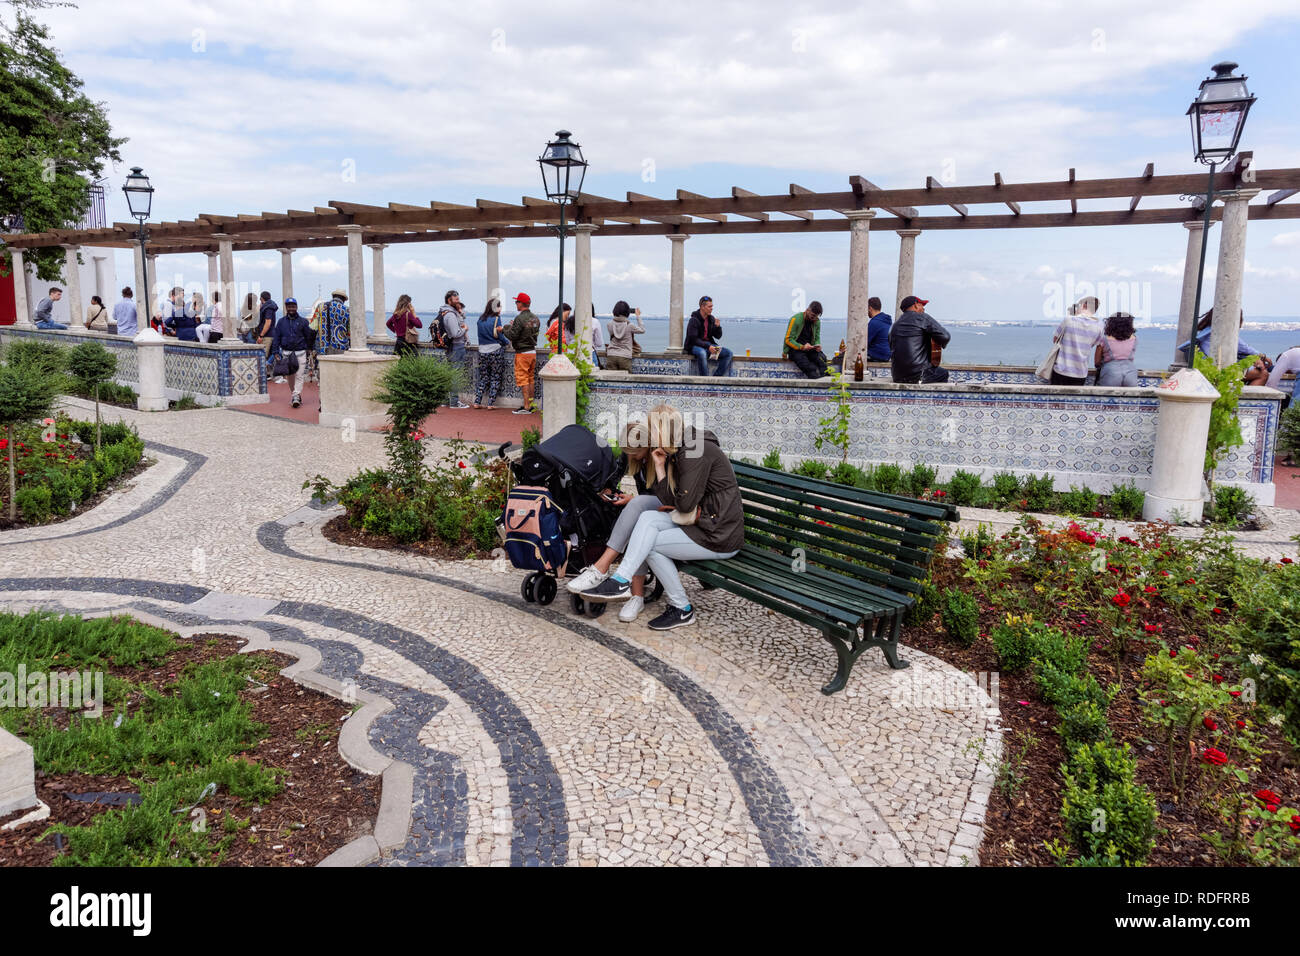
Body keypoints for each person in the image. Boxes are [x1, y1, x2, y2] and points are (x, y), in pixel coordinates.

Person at [579, 405, 744, 631]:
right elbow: (669, 500)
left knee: (651, 545)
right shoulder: (679, 449)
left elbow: (683, 505)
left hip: (718, 533)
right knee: (647, 518)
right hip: (701, 523)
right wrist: (659, 466)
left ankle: (682, 608)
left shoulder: (695, 451)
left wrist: (665, 475)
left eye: (651, 429)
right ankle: (620, 581)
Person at [566, 417, 662, 622]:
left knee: (639, 511)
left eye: (635, 452)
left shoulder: (659, 457)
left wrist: (634, 499)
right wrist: (607, 489)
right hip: (645, 508)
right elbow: (616, 472)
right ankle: (635, 596)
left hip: (665, 506)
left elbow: (669, 497)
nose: (631, 457)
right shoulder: (632, 456)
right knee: (638, 516)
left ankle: (605, 573)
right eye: (628, 453)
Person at [889, 295, 951, 384]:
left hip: (897, 376)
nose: (924, 309)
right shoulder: (922, 317)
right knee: (943, 373)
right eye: (922, 305)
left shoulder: (895, 325)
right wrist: (938, 342)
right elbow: (945, 336)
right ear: (916, 305)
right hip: (919, 375)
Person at [1045, 296, 1104, 386]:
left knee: (1056, 399)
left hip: (1061, 370)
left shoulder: (1069, 320)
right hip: (1081, 373)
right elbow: (1092, 345)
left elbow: (1055, 340)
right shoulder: (1099, 326)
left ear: (1084, 305)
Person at [1178, 308, 1262, 365]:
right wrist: (1263, 356)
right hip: (1217, 367)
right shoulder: (1223, 332)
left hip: (1208, 363)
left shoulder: (1208, 330)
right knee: (1262, 374)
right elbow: (1244, 348)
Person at [271, 297, 312, 408]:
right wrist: (275, 352)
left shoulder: (303, 321)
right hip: (287, 353)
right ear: (286, 308)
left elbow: (308, 336)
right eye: (289, 306)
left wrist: (310, 349)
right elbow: (276, 337)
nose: (291, 308)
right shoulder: (281, 322)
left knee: (299, 375)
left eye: (293, 306)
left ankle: (295, 395)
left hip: (300, 352)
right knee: (290, 377)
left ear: (296, 307)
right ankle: (296, 394)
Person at [503, 292, 540, 414]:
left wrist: (504, 329)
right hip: (532, 352)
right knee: (530, 379)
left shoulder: (519, 318)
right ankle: (531, 404)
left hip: (522, 353)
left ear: (521, 303)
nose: (516, 304)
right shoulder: (535, 318)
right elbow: (528, 331)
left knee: (523, 379)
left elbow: (513, 335)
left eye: (516, 302)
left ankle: (526, 407)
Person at [473, 297, 509, 408]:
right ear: (496, 307)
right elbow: (500, 336)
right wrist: (507, 342)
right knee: (495, 377)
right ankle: (490, 403)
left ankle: (477, 401)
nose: (501, 308)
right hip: (495, 351)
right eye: (500, 306)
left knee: (484, 377)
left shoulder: (480, 319)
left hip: (482, 351)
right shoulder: (497, 319)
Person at [684, 296, 733, 376]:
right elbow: (693, 339)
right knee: (702, 353)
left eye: (712, 306)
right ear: (702, 307)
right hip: (694, 346)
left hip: (708, 346)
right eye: (709, 306)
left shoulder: (711, 319)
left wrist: (718, 327)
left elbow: (718, 336)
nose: (711, 308)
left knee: (728, 353)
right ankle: (705, 379)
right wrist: (708, 346)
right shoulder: (694, 320)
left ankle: (715, 378)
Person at [437, 290, 470, 408]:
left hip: (453, 347)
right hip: (456, 347)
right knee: (455, 375)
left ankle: (446, 400)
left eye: (458, 299)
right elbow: (456, 333)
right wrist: (465, 329)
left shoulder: (450, 312)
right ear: (449, 300)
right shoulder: (450, 315)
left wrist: (460, 312)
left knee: (450, 374)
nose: (458, 301)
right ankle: (454, 402)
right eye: (455, 300)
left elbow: (461, 318)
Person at [783, 300, 830, 379]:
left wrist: (817, 345)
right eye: (813, 315)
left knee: (822, 361)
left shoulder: (817, 322)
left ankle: (826, 384)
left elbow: (817, 337)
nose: (814, 318)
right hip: (795, 349)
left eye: (816, 316)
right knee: (810, 368)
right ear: (808, 310)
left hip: (809, 349)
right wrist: (802, 347)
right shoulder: (795, 319)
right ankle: (816, 386)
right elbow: (788, 339)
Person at [1095, 312, 1139, 387]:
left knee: (1106, 398)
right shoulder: (1135, 338)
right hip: (1131, 374)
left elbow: (1097, 362)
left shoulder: (1104, 339)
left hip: (1110, 373)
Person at [605, 301, 645, 371]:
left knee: (611, 379)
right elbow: (642, 330)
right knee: (625, 380)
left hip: (611, 355)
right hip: (625, 356)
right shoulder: (630, 326)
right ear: (627, 312)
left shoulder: (609, 324)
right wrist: (638, 316)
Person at [386, 294, 422, 358]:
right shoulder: (408, 314)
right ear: (408, 304)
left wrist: (396, 330)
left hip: (398, 343)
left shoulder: (395, 315)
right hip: (408, 343)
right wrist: (413, 312)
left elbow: (388, 324)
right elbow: (419, 325)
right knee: (411, 363)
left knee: (397, 363)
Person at [319, 289, 351, 353]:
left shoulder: (321, 307)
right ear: (344, 299)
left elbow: (313, 328)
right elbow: (350, 331)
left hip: (324, 347)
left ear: (333, 296)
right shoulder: (347, 310)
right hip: (342, 347)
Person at [866, 296, 892, 362]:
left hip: (878, 355)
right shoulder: (886, 320)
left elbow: (864, 343)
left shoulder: (874, 322)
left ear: (870, 308)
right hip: (887, 355)